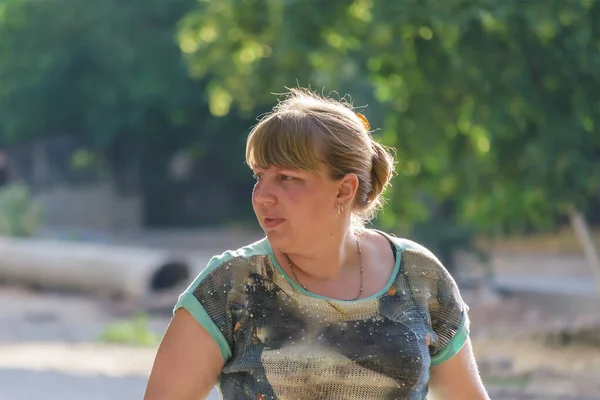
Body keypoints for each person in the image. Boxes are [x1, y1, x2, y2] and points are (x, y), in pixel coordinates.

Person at [144, 88, 490, 400]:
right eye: (259, 176)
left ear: (344, 190)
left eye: (287, 178)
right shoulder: (230, 287)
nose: (262, 196)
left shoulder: (419, 278)